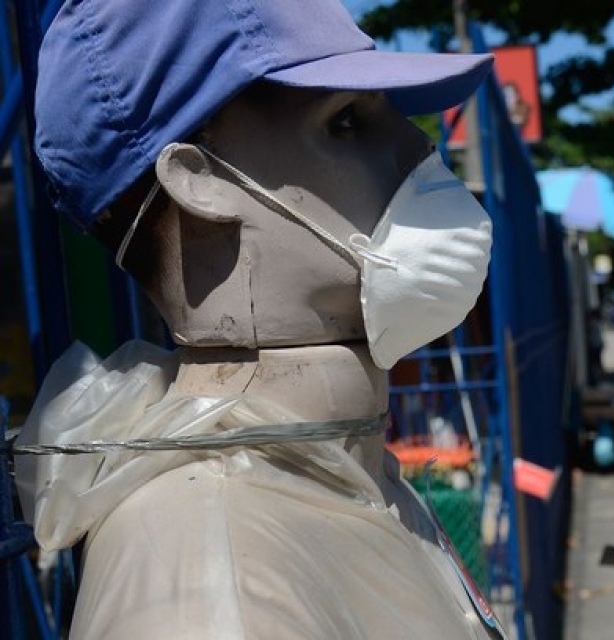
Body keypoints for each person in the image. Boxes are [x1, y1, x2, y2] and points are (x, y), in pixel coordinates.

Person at [16, 1, 502, 638]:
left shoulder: (341, 470)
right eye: (347, 121)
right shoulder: (210, 587)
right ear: (200, 182)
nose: (419, 145)